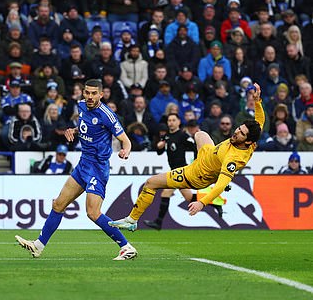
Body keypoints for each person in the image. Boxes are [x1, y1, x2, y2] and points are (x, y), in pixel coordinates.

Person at [110, 83, 265, 232]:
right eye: (238, 128)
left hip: (195, 174)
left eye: (241, 133)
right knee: (200, 134)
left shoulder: (233, 158)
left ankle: (131, 220)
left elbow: (220, 187)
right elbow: (259, 121)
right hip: (208, 155)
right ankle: (212, 170)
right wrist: (257, 102)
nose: (236, 132)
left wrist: (202, 203)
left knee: (151, 183)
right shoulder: (251, 139)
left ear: (249, 141)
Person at [15, 79, 137, 261]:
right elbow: (87, 127)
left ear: (101, 95)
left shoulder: (107, 115)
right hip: (83, 165)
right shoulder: (81, 106)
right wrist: (74, 130)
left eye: (93, 93)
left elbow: (126, 140)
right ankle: (38, 246)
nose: (89, 96)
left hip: (97, 168)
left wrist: (125, 150)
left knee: (93, 213)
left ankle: (126, 247)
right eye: (87, 92)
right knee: (58, 205)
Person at [146, 113, 196, 230]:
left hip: (181, 171)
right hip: (175, 171)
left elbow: (193, 145)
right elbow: (159, 152)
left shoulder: (182, 135)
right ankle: (215, 203)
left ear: (179, 122)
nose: (171, 122)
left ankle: (158, 223)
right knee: (189, 198)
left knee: (166, 193)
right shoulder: (167, 136)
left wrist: (196, 161)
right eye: (169, 120)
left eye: (174, 120)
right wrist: (160, 146)